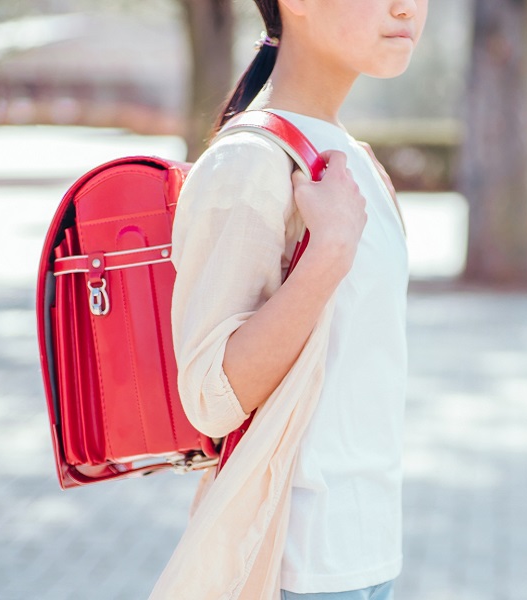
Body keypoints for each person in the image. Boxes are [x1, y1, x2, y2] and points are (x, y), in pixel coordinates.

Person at [165, 1, 427, 599]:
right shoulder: (248, 162)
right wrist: (328, 254)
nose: (407, 7)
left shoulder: (354, 160)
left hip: (367, 556)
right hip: (290, 564)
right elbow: (208, 394)